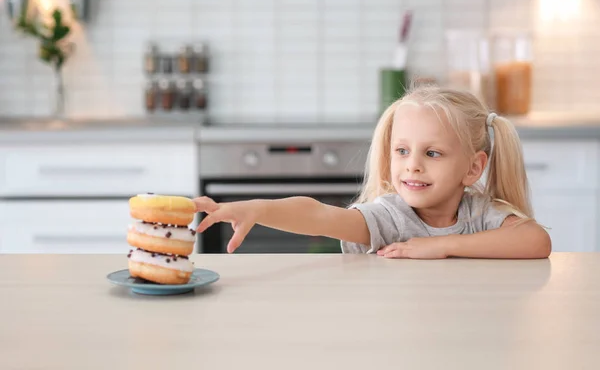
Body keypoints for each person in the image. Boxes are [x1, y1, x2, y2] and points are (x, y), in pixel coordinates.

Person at [193, 85, 551, 259]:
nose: (412, 164)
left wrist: (438, 247)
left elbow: (536, 241)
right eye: (402, 151)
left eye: (432, 153)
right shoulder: (389, 218)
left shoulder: (479, 212)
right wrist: (258, 209)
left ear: (473, 168)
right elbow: (316, 214)